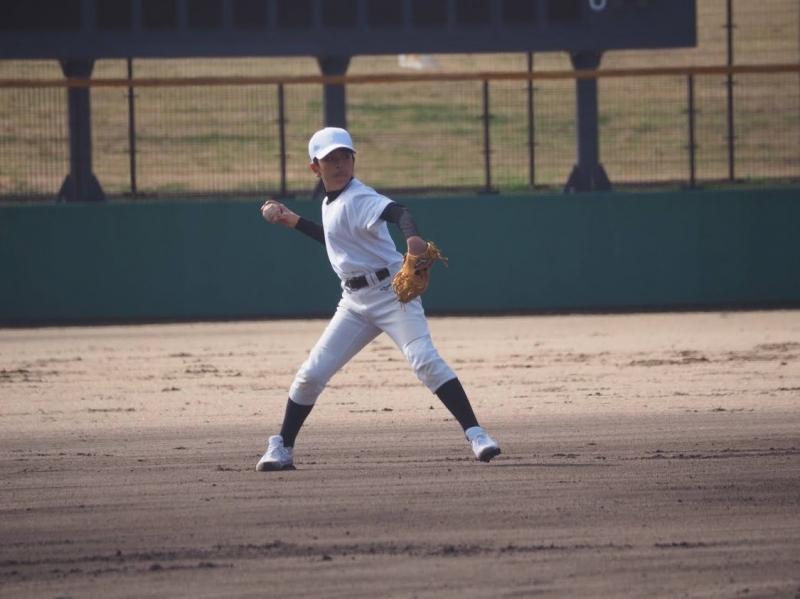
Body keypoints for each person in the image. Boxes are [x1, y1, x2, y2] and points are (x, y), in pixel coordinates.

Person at [255, 127, 500, 471]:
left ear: (353, 161)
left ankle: (477, 435)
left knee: (424, 359)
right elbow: (335, 238)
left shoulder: (359, 196)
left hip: (391, 295)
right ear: (315, 168)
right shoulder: (330, 202)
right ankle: (282, 447)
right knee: (311, 374)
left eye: (345, 157)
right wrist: (293, 221)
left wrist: (412, 239)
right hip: (354, 303)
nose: (339, 164)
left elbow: (400, 213)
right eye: (330, 159)